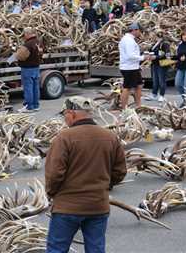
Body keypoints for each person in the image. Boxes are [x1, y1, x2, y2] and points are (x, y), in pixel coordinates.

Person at [46, 96, 127, 253]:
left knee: (57, 249)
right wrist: (105, 186)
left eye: (65, 115)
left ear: (72, 113)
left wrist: (52, 193)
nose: (64, 119)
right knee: (96, 248)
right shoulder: (110, 137)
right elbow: (120, 171)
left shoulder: (64, 138)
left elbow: (54, 174)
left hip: (66, 208)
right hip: (98, 206)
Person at [119, 22, 150, 109]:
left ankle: (138, 105)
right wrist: (143, 57)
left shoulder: (129, 39)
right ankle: (124, 108)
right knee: (127, 88)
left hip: (133, 67)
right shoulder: (128, 40)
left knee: (139, 85)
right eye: (140, 31)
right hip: (129, 68)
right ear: (134, 30)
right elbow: (130, 56)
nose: (140, 33)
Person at [16, 28, 42, 113]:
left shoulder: (28, 44)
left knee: (28, 88)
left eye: (24, 34)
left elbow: (21, 56)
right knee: (35, 87)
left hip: (27, 68)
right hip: (36, 67)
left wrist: (17, 53)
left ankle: (29, 106)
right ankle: (36, 105)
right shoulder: (38, 42)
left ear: (27, 34)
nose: (24, 36)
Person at [145, 30, 171, 102]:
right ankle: (154, 94)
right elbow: (151, 51)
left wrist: (156, 57)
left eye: (153, 35)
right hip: (154, 64)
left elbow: (167, 54)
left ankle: (162, 95)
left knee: (161, 80)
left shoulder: (165, 44)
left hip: (161, 64)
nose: (152, 37)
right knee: (155, 80)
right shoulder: (154, 43)